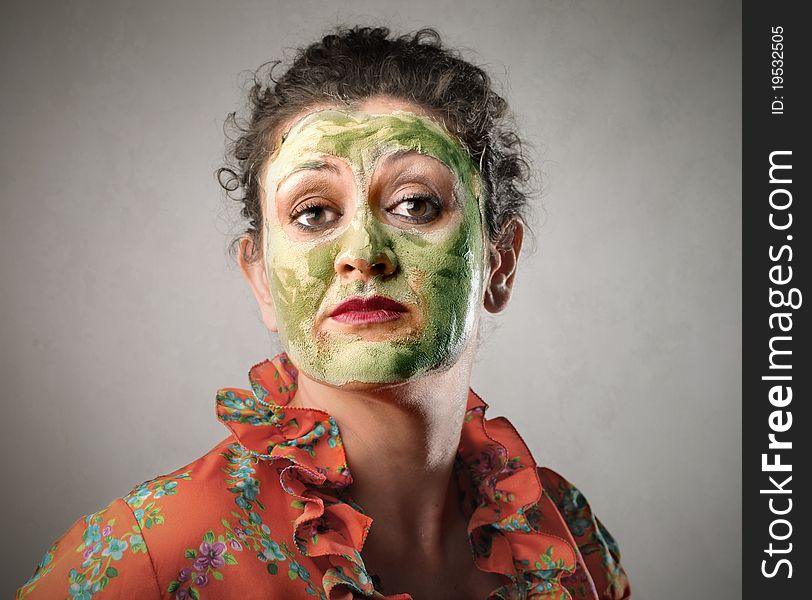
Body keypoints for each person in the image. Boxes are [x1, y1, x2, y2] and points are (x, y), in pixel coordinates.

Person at [17, 26, 631, 600]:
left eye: (415, 204)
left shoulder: (565, 535)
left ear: (499, 262)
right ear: (259, 277)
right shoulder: (152, 560)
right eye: (313, 213)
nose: (363, 254)